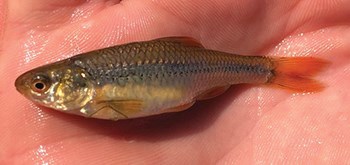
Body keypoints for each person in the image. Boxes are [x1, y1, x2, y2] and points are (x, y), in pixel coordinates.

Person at [1, 0, 349, 164]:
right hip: (190, 75)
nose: (37, 92)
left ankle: (271, 71)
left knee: (263, 69)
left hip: (195, 72)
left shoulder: (95, 96)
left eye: (41, 86)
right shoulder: (91, 91)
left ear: (72, 82)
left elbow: (131, 107)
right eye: (41, 86)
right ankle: (270, 71)